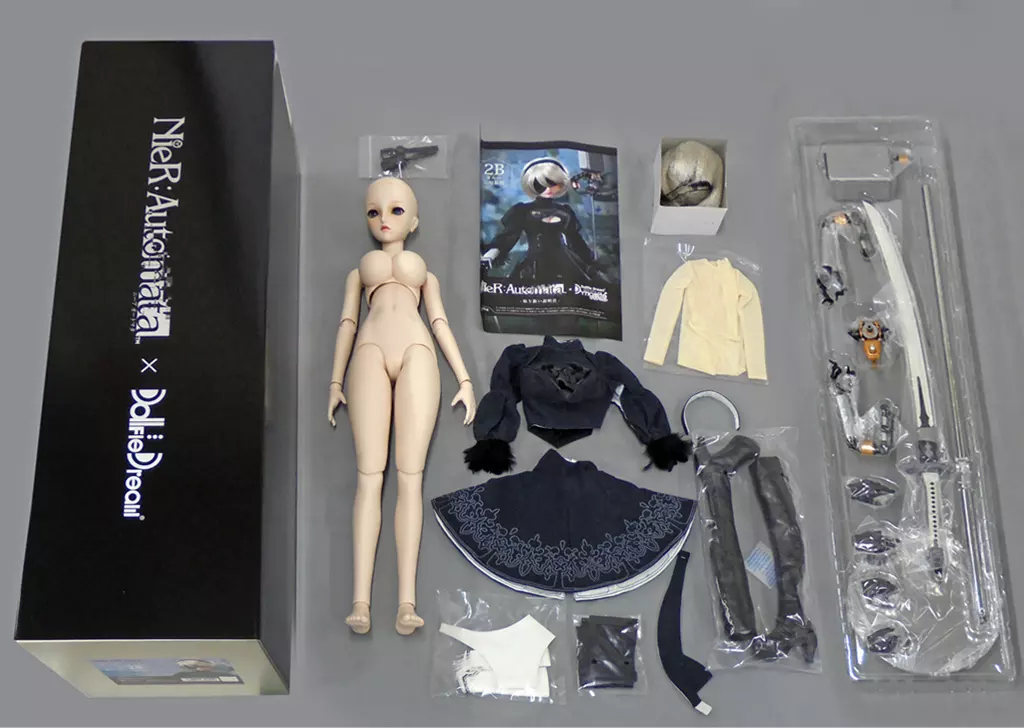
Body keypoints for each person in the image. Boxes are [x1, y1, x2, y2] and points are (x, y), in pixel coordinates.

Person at [328, 177, 477, 636]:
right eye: (374, 212)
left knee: (410, 479)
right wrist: (334, 381)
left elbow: (440, 322)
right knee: (369, 477)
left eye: (396, 211)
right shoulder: (359, 273)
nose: (384, 220)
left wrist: (465, 378)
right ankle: (360, 601)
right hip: (369, 351)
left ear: (414, 222)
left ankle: (406, 603)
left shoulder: (424, 275)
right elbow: (347, 323)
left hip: (418, 351)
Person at [481, 157, 597, 283]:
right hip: (534, 264)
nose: (548, 189)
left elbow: (575, 240)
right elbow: (507, 238)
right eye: (541, 185)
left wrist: (591, 261)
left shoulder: (565, 211)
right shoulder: (523, 211)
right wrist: (489, 256)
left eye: (553, 184)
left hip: (566, 262)